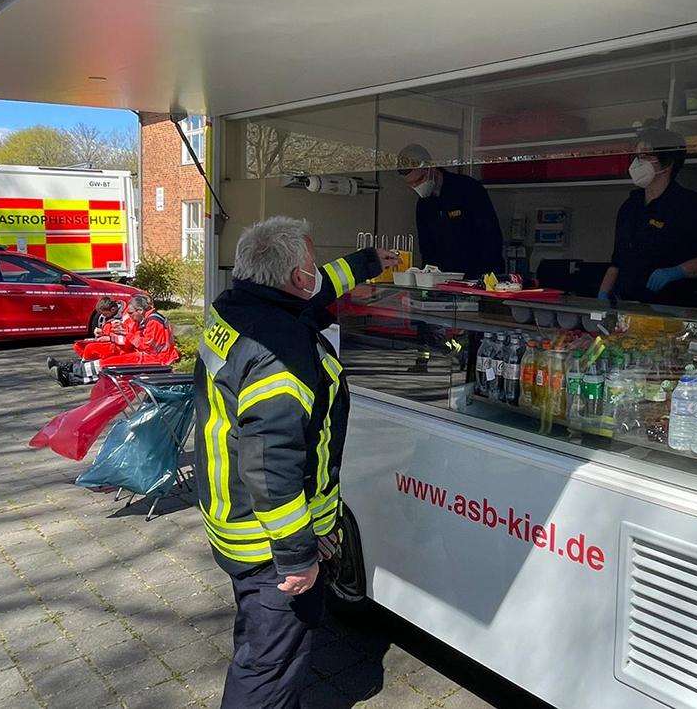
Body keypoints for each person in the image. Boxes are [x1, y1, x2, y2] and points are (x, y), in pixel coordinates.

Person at [192, 216, 397, 708]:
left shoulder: (238, 306)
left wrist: (368, 263)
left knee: (259, 643)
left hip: (232, 516)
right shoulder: (278, 355)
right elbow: (272, 466)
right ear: (294, 278)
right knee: (269, 667)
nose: (315, 273)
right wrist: (297, 556)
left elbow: (315, 286)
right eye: (311, 265)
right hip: (268, 545)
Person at [598, 123, 697, 307]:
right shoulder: (630, 207)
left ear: (668, 163)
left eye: (646, 156)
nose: (638, 162)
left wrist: (677, 271)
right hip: (629, 306)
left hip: (675, 307)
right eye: (637, 156)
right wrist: (603, 295)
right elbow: (617, 261)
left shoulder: (693, 206)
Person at [397, 143, 504, 279]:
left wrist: (486, 279)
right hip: (441, 281)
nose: (416, 186)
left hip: (477, 276)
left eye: (419, 180)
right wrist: (427, 279)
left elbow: (491, 237)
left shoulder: (467, 189)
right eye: (410, 184)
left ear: (431, 168)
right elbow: (426, 249)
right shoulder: (424, 204)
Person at [47, 294, 178, 386]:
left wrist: (125, 334)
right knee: (104, 360)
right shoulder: (148, 319)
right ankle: (69, 371)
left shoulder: (153, 322)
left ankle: (70, 376)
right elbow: (138, 340)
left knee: (109, 365)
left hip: (156, 359)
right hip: (150, 355)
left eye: (131, 313)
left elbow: (147, 345)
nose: (130, 316)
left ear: (140, 310)